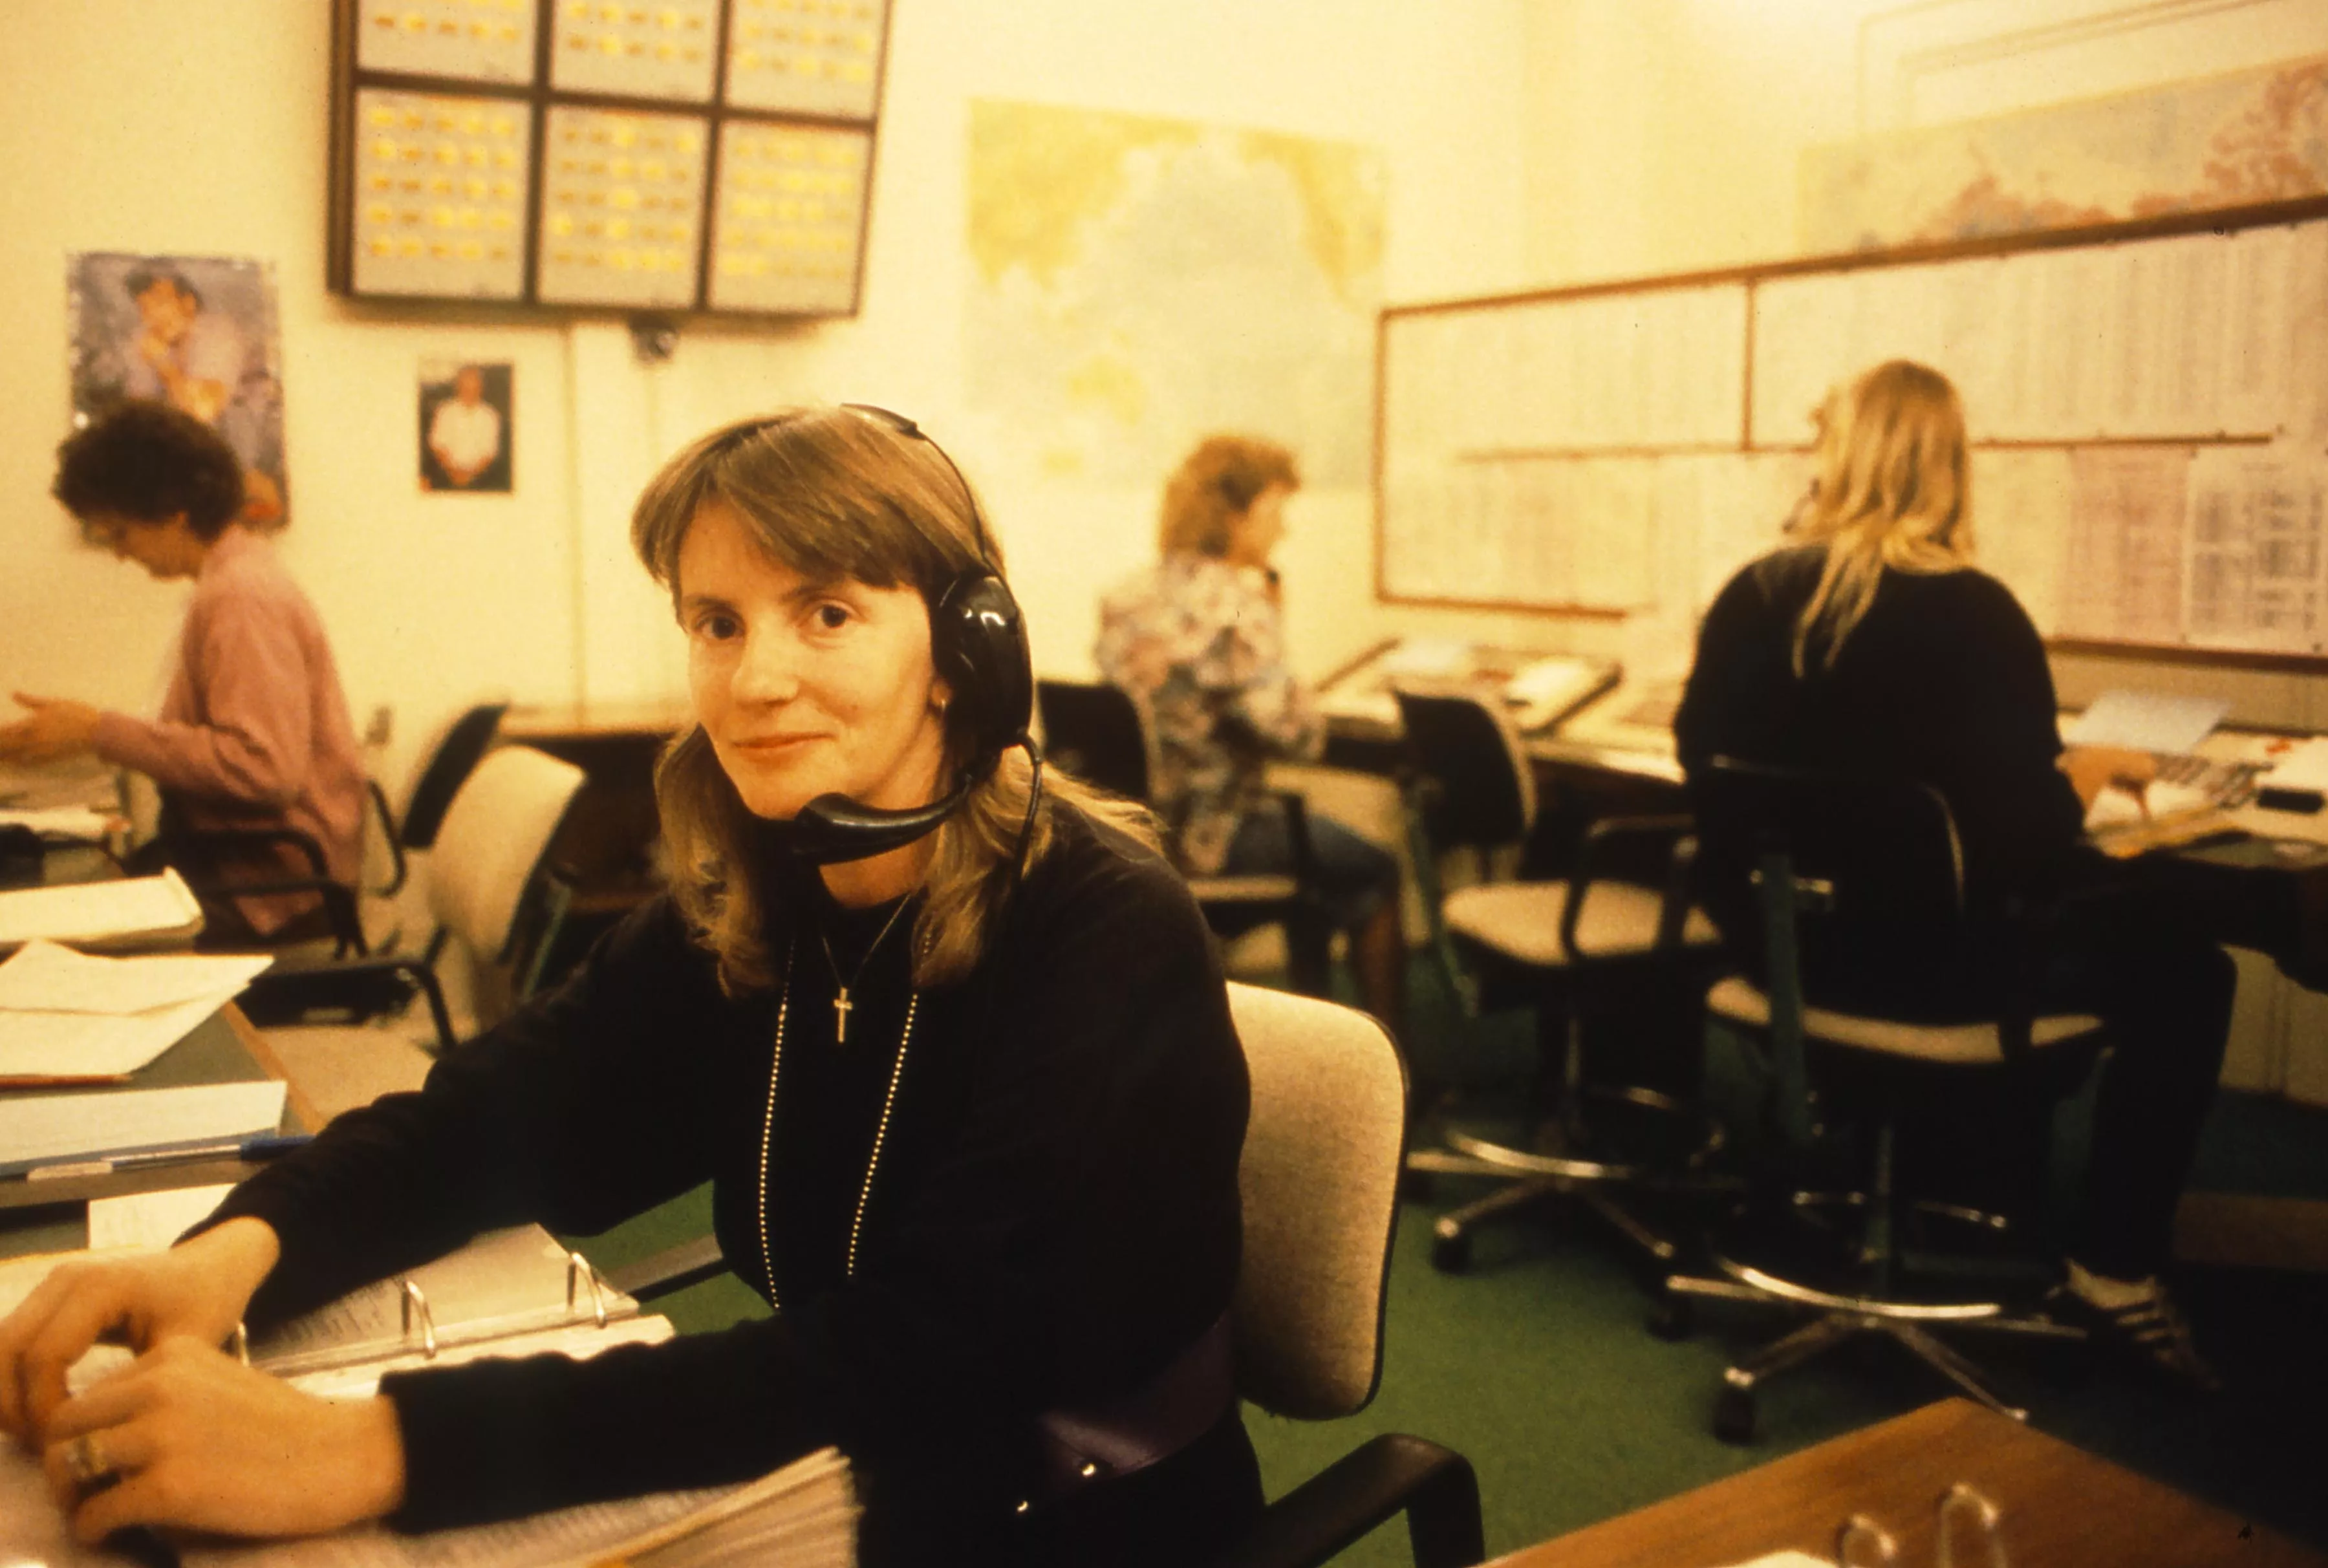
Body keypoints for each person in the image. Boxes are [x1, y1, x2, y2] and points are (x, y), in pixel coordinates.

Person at [0, 407, 1259, 1566]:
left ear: (965, 652)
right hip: (868, 1459)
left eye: (825, 612)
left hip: (1071, 1512)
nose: (754, 678)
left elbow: (930, 1347)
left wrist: (370, 1447)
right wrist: (231, 1253)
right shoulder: (764, 899)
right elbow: (497, 1116)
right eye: (718, 622)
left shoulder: (1106, 933)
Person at [1674, 359, 2233, 1391]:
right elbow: (2017, 843)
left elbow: (1701, 763)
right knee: (2190, 970)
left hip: (1787, 962)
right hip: (1934, 980)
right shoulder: (1977, 615)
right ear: (1950, 468)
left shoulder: (1755, 595)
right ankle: (2112, 1266)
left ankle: (1929, 1178)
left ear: (1836, 460)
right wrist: (2079, 774)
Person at [0, 402, 365, 946]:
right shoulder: (230, 580)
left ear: (175, 512)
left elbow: (263, 770)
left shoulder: (241, 597)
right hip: (244, 870)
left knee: (43, 943)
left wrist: (99, 731)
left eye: (119, 533)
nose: (120, 554)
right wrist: (87, 733)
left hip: (269, 896)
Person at [1097, 433, 1406, 1035]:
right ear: (1235, 515)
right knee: (1375, 867)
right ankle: (1393, 1067)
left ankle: (1314, 1036)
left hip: (1143, 830)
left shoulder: (1125, 597)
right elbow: (1296, 735)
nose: (1284, 530)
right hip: (1217, 835)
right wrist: (1276, 622)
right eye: (1276, 511)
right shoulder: (1238, 604)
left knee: (1323, 860)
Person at [425, 365, 505, 490]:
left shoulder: (490, 415)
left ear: (481, 388)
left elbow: (489, 452)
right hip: (445, 473)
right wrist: (452, 472)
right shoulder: (444, 410)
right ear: (457, 387)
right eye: (465, 386)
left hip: (480, 477)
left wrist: (470, 475)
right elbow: (438, 444)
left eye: (474, 387)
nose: (469, 392)